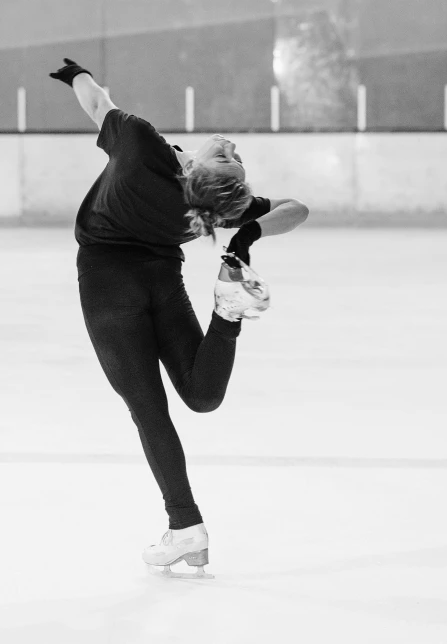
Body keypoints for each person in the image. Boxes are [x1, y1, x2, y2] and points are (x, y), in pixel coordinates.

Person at [50, 58, 309, 578]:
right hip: (162, 282)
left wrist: (77, 74)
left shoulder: (142, 144)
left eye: (230, 158)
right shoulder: (216, 208)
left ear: (199, 168)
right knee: (201, 393)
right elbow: (296, 208)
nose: (232, 147)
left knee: (149, 409)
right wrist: (245, 236)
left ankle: (186, 526)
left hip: (106, 284)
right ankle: (227, 314)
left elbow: (98, 104)